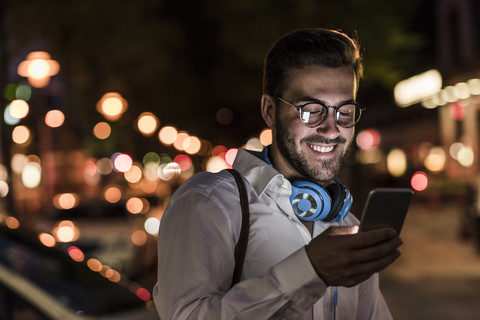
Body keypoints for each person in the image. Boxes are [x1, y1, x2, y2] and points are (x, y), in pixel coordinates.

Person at [153, 28, 402, 319]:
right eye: (311, 110)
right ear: (269, 111)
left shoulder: (346, 224)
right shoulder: (209, 202)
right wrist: (309, 272)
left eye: (344, 112)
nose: (332, 129)